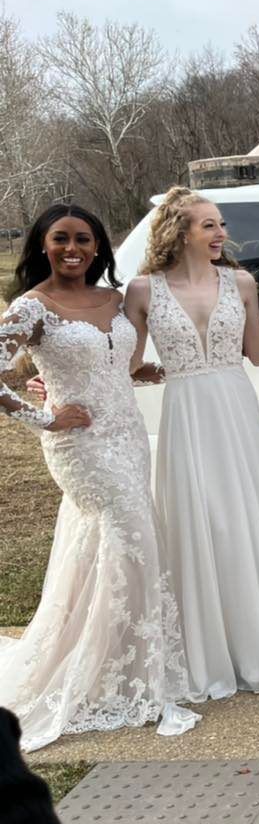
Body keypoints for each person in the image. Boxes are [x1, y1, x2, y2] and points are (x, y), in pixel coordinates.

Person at [0, 204, 198, 750]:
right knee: (132, 539)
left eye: (83, 239)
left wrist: (140, 373)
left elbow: (110, 367)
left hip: (128, 437)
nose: (72, 248)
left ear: (97, 247)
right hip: (79, 445)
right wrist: (46, 417)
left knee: (108, 545)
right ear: (43, 244)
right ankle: (124, 674)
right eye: (61, 238)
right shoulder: (32, 306)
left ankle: (115, 656)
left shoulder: (114, 299)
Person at [129, 187, 259, 701]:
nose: (222, 234)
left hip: (235, 410)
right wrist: (54, 382)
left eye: (221, 225)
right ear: (180, 232)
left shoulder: (241, 282)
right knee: (193, 522)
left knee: (243, 518)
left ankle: (255, 650)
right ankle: (203, 657)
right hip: (185, 413)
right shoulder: (142, 290)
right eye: (210, 226)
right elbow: (122, 362)